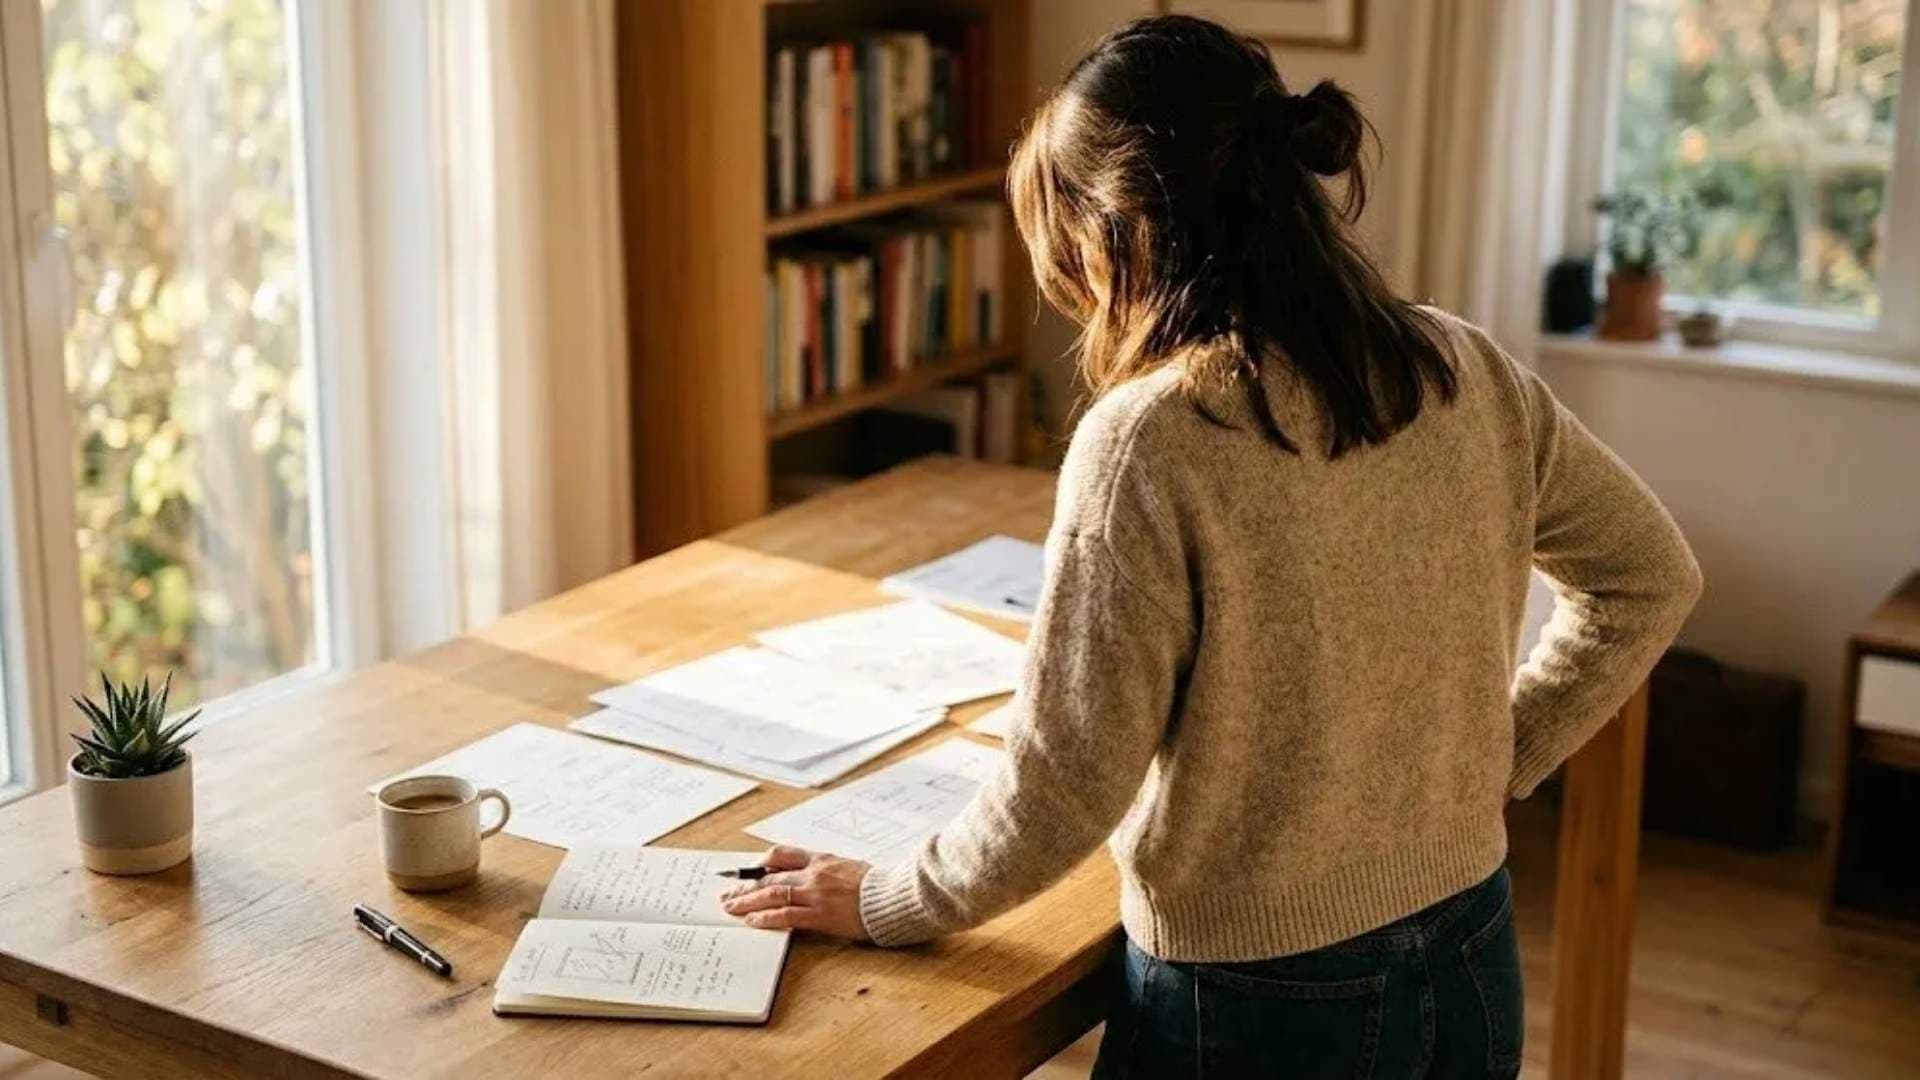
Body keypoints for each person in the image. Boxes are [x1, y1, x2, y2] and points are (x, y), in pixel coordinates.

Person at [721, 13, 1701, 1077]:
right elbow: (1650, 576)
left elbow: (1060, 792)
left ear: (1116, 233)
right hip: (1471, 960)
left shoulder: (1151, 441)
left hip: (1258, 1010)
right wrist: (1477, 767)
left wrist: (884, 898)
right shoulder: (1459, 366)